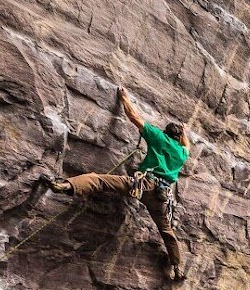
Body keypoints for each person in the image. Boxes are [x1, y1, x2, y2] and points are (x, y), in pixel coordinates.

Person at [51, 87, 189, 279]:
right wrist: (184, 132)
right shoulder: (182, 153)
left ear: (166, 132)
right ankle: (177, 268)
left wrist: (124, 98)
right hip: (161, 197)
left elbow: (133, 116)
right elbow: (187, 144)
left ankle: (66, 185)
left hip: (143, 184)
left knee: (100, 180)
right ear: (179, 138)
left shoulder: (159, 137)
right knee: (167, 231)